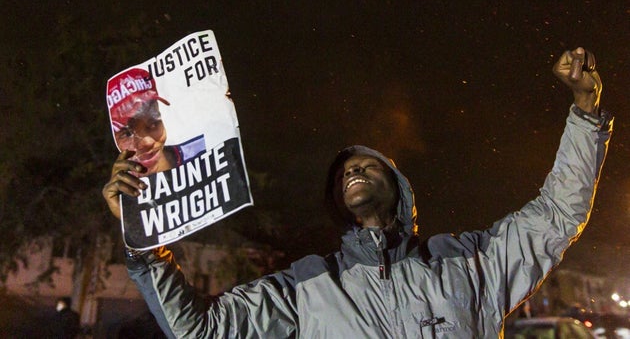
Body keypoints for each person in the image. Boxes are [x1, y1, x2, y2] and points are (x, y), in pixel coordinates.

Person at [102, 47, 613, 337]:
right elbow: (200, 333)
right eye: (345, 171)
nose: (355, 171)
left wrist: (587, 112)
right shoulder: (306, 289)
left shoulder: (470, 263)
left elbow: (558, 213)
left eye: (370, 166)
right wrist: (143, 245)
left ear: (401, 191)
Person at [107, 68, 205, 175]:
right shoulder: (122, 188)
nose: (148, 142)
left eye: (153, 124)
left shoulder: (206, 153)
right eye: (127, 134)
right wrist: (120, 192)